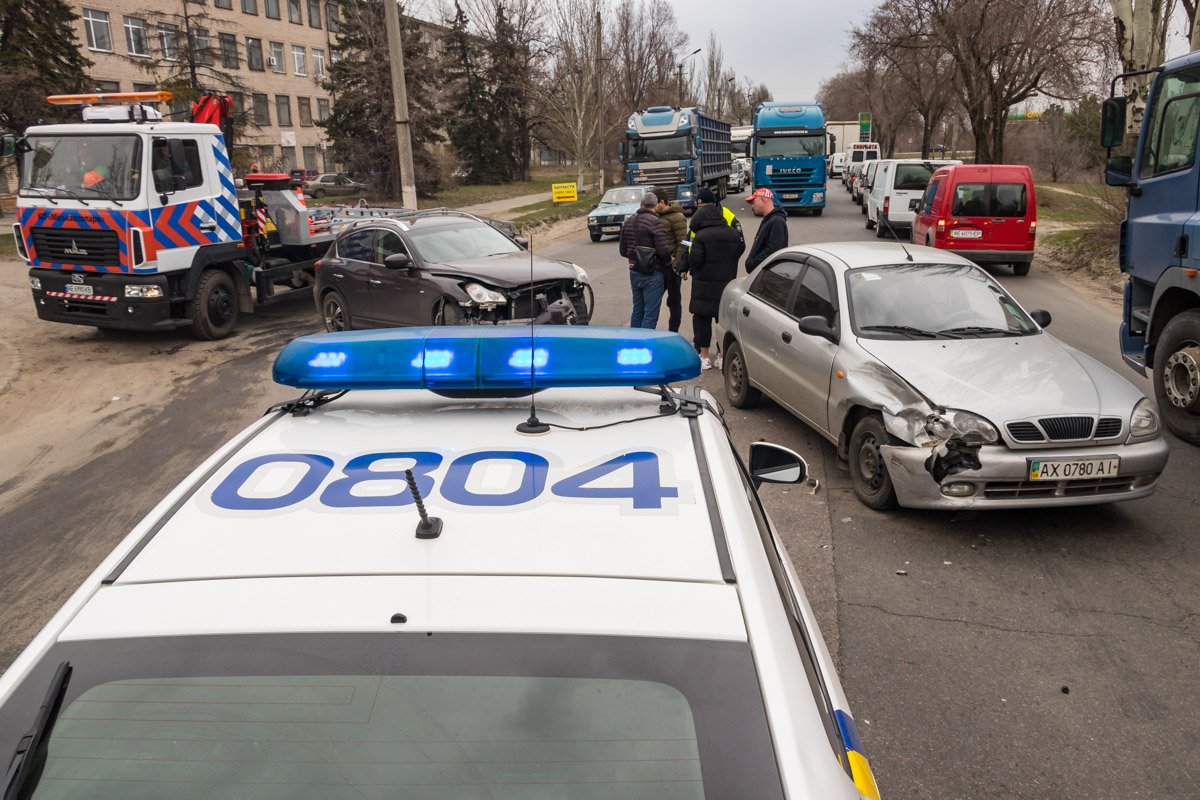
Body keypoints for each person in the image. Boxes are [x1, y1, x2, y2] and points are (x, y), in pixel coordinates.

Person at [681, 187, 745, 370]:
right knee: (723, 320)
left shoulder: (700, 235)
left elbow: (695, 259)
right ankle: (722, 356)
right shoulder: (732, 231)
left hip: (703, 285)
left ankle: (704, 356)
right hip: (726, 283)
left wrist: (691, 269)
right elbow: (740, 248)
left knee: (702, 319)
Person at [619, 192, 672, 329]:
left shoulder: (629, 221)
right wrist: (668, 262)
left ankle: (634, 342)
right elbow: (663, 250)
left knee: (638, 310)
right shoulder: (655, 222)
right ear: (655, 206)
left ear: (641, 204)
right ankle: (644, 345)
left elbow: (622, 250)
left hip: (634, 271)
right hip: (653, 273)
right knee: (650, 313)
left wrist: (633, 258)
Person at [653, 188, 688, 333]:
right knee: (653, 301)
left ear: (662, 202)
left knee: (673, 302)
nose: (654, 207)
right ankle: (650, 332)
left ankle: (673, 332)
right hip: (658, 267)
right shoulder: (655, 216)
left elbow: (682, 243)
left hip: (672, 268)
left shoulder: (677, 217)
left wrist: (676, 265)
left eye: (656, 204)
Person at [744, 187, 789, 272]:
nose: (752, 207)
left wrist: (752, 264)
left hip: (769, 274)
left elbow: (772, 251)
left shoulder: (777, 221)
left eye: (753, 202)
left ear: (762, 200)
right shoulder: (769, 220)